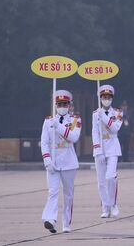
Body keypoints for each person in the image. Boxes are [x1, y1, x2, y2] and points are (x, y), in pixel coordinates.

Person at [41, 90, 81, 234]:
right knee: (53, 191)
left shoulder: (75, 120)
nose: (62, 106)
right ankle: (50, 220)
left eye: (64, 104)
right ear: (55, 105)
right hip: (53, 159)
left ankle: (66, 222)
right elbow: (44, 142)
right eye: (59, 104)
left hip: (69, 160)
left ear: (69, 105)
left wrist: (58, 126)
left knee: (68, 194)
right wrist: (47, 160)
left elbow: (74, 137)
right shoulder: (48, 120)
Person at [92, 85, 123, 218]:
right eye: (104, 97)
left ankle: (113, 203)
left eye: (108, 97)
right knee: (101, 181)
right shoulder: (95, 114)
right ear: (100, 98)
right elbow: (94, 132)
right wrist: (97, 149)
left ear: (112, 98)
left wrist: (103, 117)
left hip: (113, 146)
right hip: (100, 147)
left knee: (110, 177)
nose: (106, 99)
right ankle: (105, 207)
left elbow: (115, 128)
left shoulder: (118, 113)